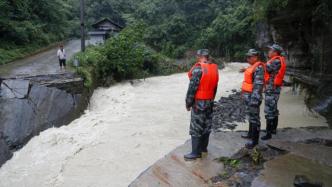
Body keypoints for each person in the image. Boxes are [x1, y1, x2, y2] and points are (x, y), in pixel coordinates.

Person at [184, 49, 219, 160]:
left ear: (199, 56)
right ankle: (204, 148)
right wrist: (212, 99)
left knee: (196, 126)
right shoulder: (214, 68)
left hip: (199, 102)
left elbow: (192, 89)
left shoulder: (198, 69)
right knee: (206, 124)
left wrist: (188, 103)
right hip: (209, 101)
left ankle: (195, 152)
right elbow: (215, 87)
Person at [241, 49, 265, 149]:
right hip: (249, 97)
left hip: (253, 98)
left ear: (255, 57)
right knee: (251, 116)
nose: (248, 58)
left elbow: (258, 86)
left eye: (250, 57)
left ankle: (254, 141)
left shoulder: (259, 68)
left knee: (255, 119)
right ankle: (250, 134)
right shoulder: (252, 67)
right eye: (247, 57)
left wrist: (254, 101)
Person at [261, 44, 286, 140]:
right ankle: (273, 130)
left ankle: (268, 134)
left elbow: (266, 69)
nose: (269, 52)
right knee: (274, 109)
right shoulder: (278, 60)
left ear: (275, 52)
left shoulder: (275, 61)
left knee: (269, 110)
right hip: (274, 89)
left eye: (270, 50)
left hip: (272, 90)